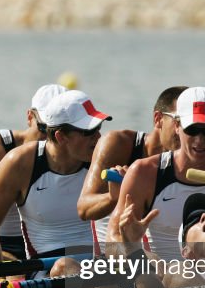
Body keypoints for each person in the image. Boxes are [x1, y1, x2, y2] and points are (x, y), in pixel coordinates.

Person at [108, 86, 205, 263]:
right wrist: (131, 246)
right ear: (177, 126)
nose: (199, 140)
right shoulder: (144, 174)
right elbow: (111, 243)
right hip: (161, 281)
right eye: (192, 129)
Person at [0, 90, 110, 281]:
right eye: (89, 132)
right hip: (47, 271)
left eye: (99, 128)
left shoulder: (103, 158)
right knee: (65, 266)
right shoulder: (19, 163)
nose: (98, 137)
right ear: (61, 136)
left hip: (100, 265)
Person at [78, 85, 187, 253]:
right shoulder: (118, 144)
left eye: (193, 124)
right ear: (158, 119)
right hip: (113, 262)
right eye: (179, 121)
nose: (186, 131)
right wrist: (114, 197)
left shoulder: (199, 159)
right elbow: (84, 209)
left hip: (168, 266)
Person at [0, 84, 65, 264]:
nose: (49, 139)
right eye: (43, 128)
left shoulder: (77, 151)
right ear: (29, 117)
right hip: (2, 248)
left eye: (57, 131)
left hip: (51, 249)